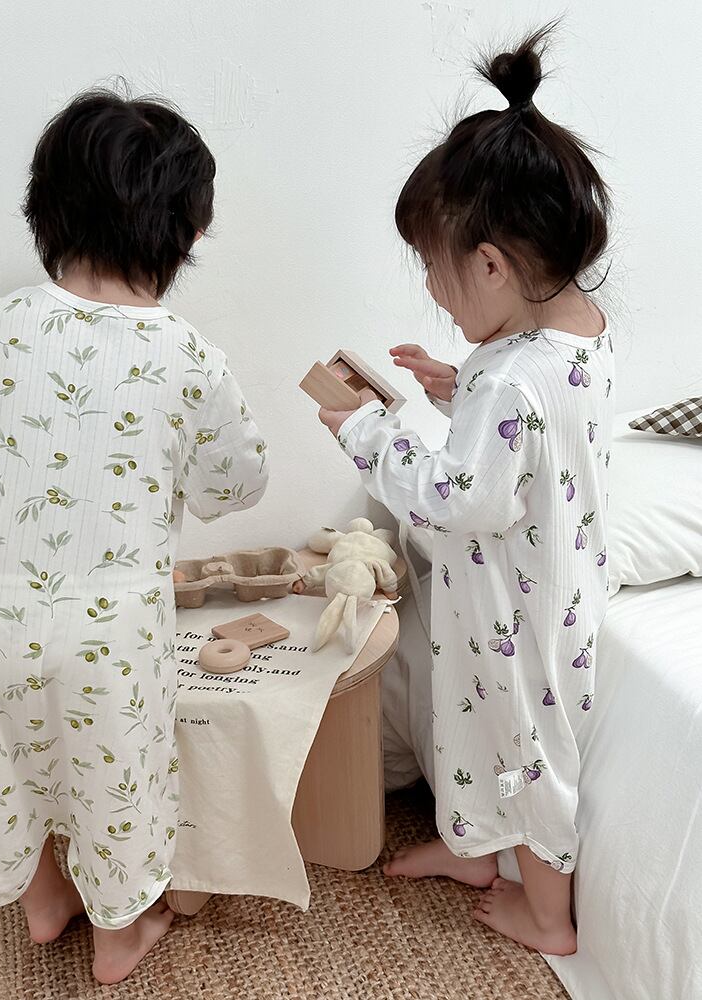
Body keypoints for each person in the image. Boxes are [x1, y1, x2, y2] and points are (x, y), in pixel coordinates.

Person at [0, 90, 267, 984]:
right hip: (112, 633)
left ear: (44, 209)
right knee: (114, 778)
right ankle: (118, 938)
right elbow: (237, 484)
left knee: (5, 764)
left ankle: (43, 898)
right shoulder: (188, 356)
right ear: (185, 234)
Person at [317, 25, 613, 955]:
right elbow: (536, 432)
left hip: (520, 611)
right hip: (534, 593)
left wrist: (368, 433)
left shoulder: (512, 377)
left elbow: (460, 499)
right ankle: (476, 849)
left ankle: (548, 915)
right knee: (473, 731)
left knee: (526, 751)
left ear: (490, 264)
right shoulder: (572, 333)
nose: (437, 295)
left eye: (437, 274)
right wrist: (460, 389)